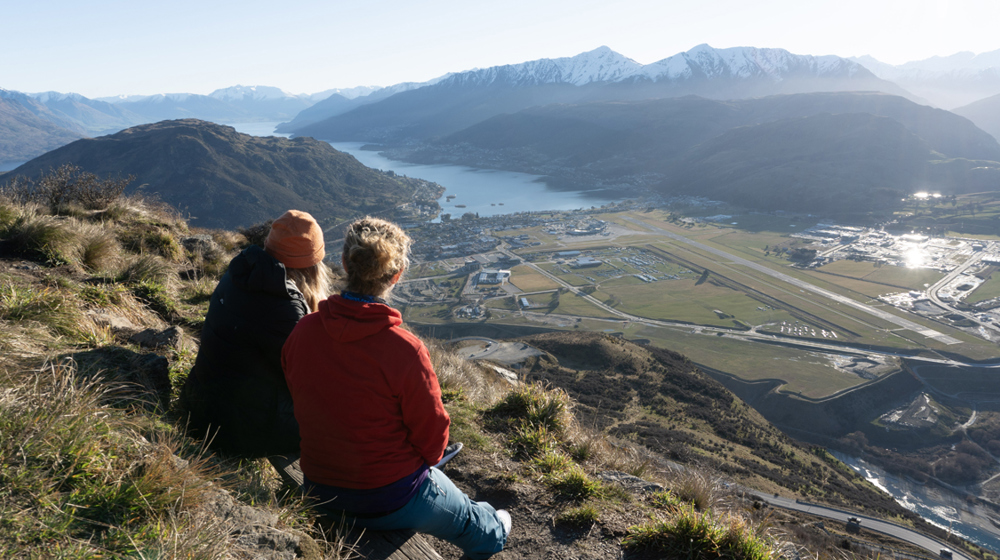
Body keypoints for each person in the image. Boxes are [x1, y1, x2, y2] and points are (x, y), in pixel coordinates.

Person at [282, 217, 510, 560]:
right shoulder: (403, 348)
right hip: (390, 496)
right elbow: (433, 438)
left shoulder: (304, 331)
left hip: (320, 487)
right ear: (397, 274)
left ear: (344, 263)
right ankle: (493, 526)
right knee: (484, 528)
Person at [179, 210, 332, 457]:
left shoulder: (239, 272)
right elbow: (308, 382)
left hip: (200, 404)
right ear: (313, 264)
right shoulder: (287, 307)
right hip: (239, 432)